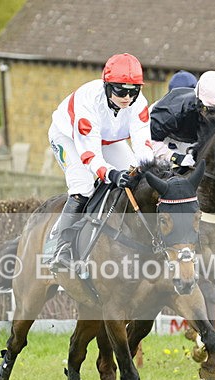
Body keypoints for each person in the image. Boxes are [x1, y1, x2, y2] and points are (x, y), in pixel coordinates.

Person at [47, 52, 154, 271]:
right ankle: (61, 247)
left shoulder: (138, 103)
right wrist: (112, 174)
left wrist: (150, 173)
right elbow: (89, 155)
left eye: (133, 91)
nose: (127, 97)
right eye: (121, 91)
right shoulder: (89, 101)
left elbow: (144, 146)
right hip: (68, 137)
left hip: (109, 140)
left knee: (137, 181)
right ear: (107, 85)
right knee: (83, 185)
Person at [149, 70, 215, 168]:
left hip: (190, 137)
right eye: (211, 110)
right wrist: (174, 157)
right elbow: (147, 139)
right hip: (159, 135)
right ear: (199, 101)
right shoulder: (172, 111)